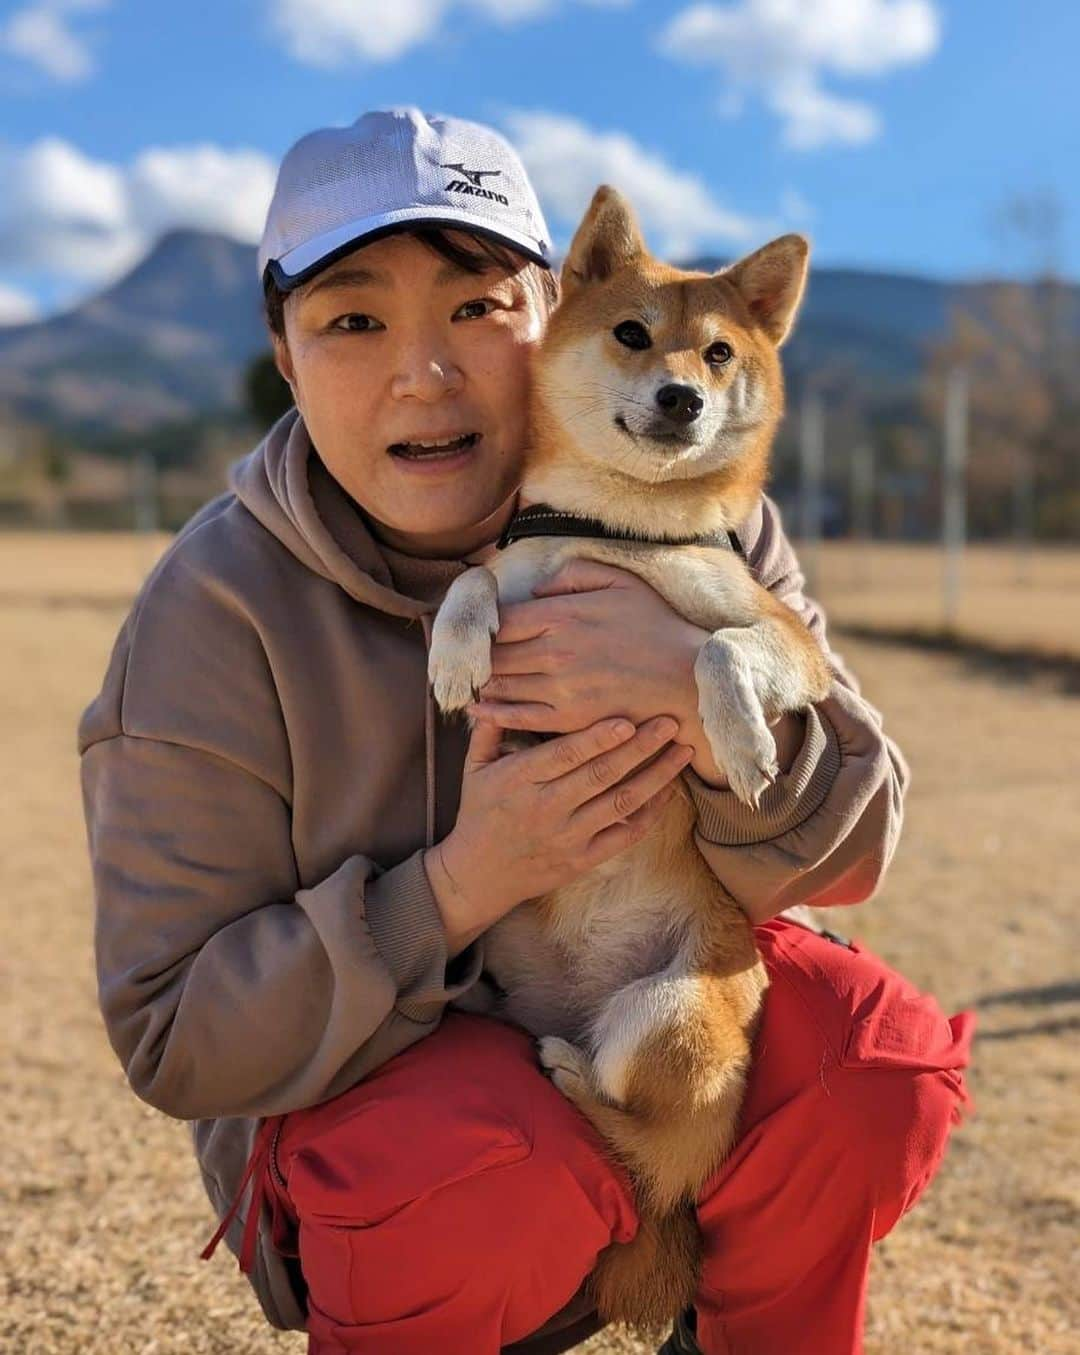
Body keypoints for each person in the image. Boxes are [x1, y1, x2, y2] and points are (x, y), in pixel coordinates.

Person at [79, 108, 973, 1355]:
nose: (424, 371)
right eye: (352, 320)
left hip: (648, 1036)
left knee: (873, 1060)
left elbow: (860, 839)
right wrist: (453, 886)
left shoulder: (690, 504)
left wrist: (686, 698)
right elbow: (173, 1033)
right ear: (282, 356)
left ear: (554, 315)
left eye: (475, 308)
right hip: (398, 1127)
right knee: (478, 1170)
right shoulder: (214, 612)